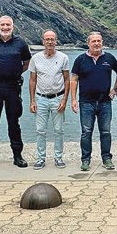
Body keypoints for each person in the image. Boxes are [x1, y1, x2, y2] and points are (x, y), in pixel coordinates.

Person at [0, 16, 31, 170]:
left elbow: (26, 63)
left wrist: (13, 73)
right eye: (2, 25)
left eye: (8, 25)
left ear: (12, 26)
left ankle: (17, 156)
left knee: (14, 123)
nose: (5, 27)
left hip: (13, 88)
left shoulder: (20, 43)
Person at [70, 32, 117, 172]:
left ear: (102, 42)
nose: (97, 43)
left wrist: (114, 89)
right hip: (86, 102)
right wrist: (73, 99)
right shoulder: (80, 59)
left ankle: (106, 158)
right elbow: (74, 80)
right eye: (94, 41)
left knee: (105, 132)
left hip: (105, 102)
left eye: (99, 41)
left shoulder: (109, 58)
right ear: (88, 43)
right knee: (86, 132)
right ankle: (85, 160)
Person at [28, 30, 70, 170]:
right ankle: (41, 158)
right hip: (41, 99)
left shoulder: (63, 57)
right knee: (40, 130)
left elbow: (67, 79)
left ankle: (58, 157)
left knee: (58, 130)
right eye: (47, 39)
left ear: (56, 41)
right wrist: (32, 100)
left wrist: (64, 100)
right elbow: (32, 80)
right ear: (43, 41)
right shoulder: (36, 58)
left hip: (57, 98)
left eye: (52, 39)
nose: (50, 42)